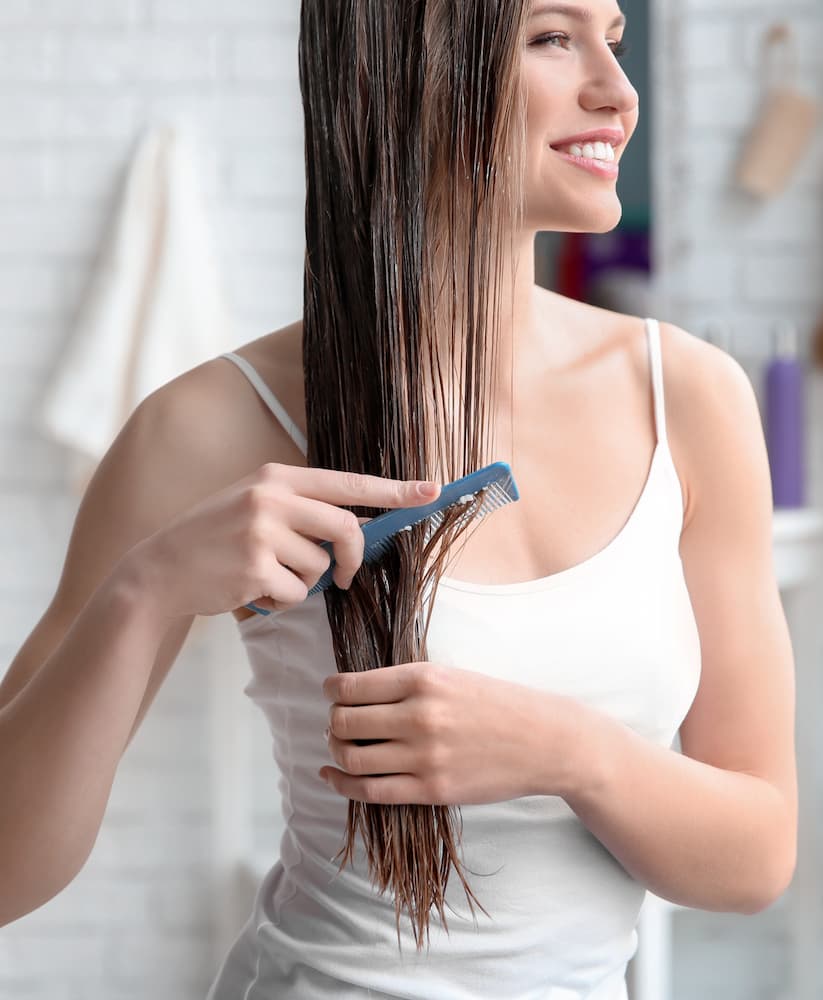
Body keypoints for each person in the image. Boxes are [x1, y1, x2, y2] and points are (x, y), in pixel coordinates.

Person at [0, 0, 797, 997]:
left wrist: (569, 752)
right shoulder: (210, 425)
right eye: (554, 37)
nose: (618, 92)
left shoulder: (688, 396)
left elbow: (759, 852)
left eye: (616, 39)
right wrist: (145, 589)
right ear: (406, 67)